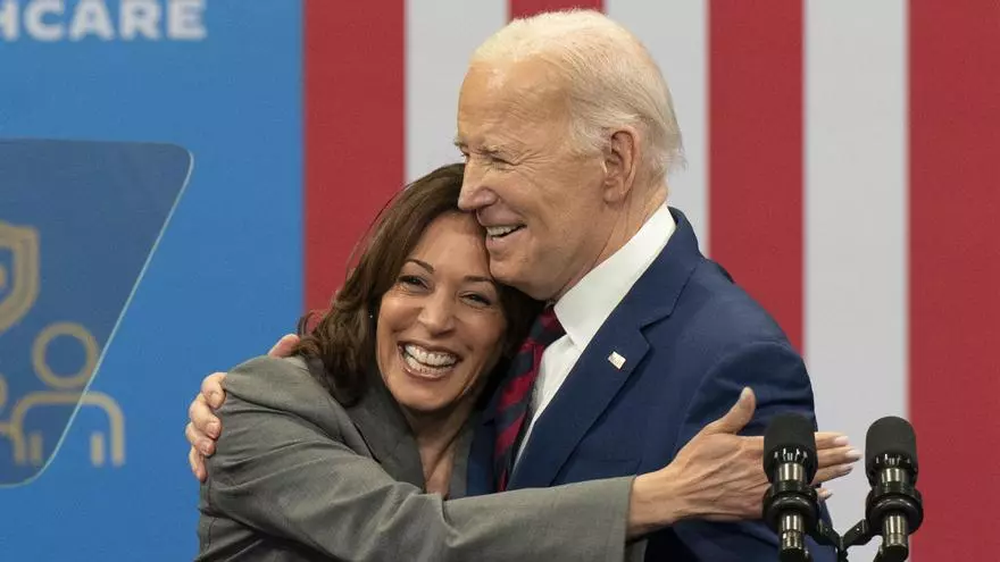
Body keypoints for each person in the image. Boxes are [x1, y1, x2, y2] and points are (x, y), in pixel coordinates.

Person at [189, 10, 858, 561]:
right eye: (467, 153)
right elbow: (413, 531)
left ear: (615, 161)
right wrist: (265, 401)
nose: (474, 189)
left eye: (501, 155)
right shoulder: (524, 348)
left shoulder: (725, 358)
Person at [194, 163, 827, 561]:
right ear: (373, 294)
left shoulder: (509, 437)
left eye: (477, 298)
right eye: (413, 283)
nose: (436, 320)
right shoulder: (259, 405)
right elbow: (408, 538)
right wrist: (663, 496)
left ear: (510, 331)